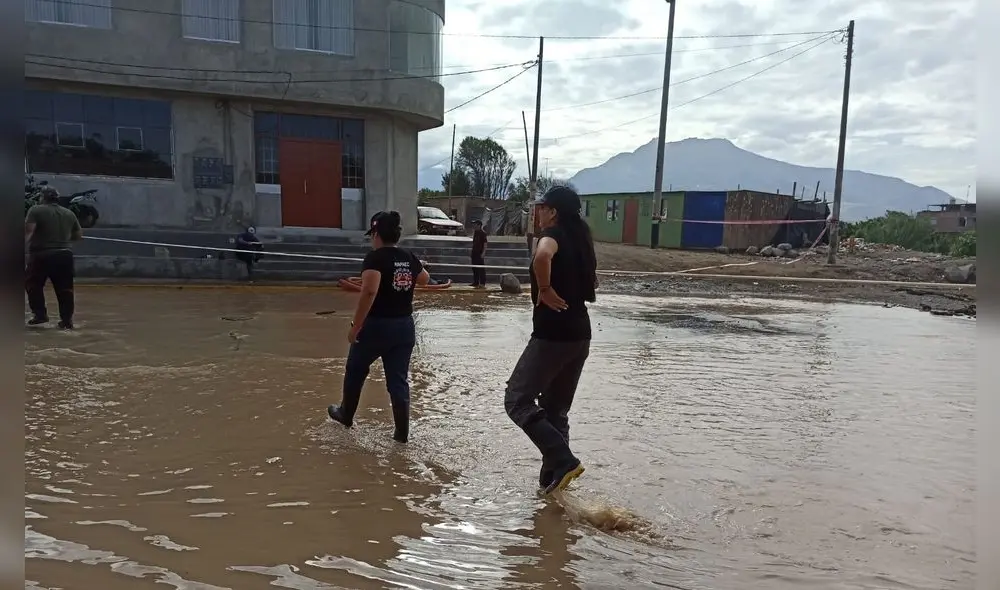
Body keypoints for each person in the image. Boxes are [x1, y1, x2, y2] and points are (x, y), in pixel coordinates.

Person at [504, 185, 598, 495]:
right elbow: (593, 283)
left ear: (554, 212)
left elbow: (542, 256)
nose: (538, 212)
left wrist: (544, 289)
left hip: (552, 334)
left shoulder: (552, 236)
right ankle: (553, 483)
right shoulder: (581, 241)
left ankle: (564, 460)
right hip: (579, 334)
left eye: (542, 208)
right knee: (556, 410)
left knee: (517, 400)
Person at [328, 211, 430, 443]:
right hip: (404, 327)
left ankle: (346, 415)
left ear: (376, 234)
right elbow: (424, 279)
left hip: (376, 326)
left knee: (355, 369)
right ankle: (401, 434)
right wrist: (407, 271)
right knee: (398, 381)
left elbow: (369, 291)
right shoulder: (408, 256)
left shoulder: (374, 258)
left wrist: (355, 326)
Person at [25, 187, 83, 329]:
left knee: (33, 284)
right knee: (65, 289)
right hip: (64, 255)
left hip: (42, 255)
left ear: (42, 197)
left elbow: (28, 232)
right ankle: (66, 321)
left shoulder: (35, 210)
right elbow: (78, 236)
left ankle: (40, 315)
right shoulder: (69, 213)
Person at [469, 220, 488, 288]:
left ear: (479, 225)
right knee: (474, 268)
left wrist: (483, 253)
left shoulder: (483, 233)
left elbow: (485, 243)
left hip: (479, 253)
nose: (474, 226)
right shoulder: (475, 232)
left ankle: (482, 283)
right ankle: (476, 282)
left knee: (481, 268)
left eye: (475, 224)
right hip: (474, 252)